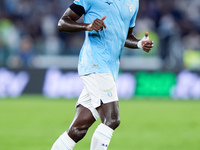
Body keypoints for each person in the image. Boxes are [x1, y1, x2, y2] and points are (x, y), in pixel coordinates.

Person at [51, 0, 153, 149]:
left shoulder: (133, 2)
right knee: (112, 119)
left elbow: (125, 35)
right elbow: (62, 23)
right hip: (94, 63)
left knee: (77, 130)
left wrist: (139, 43)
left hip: (110, 69)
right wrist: (87, 26)